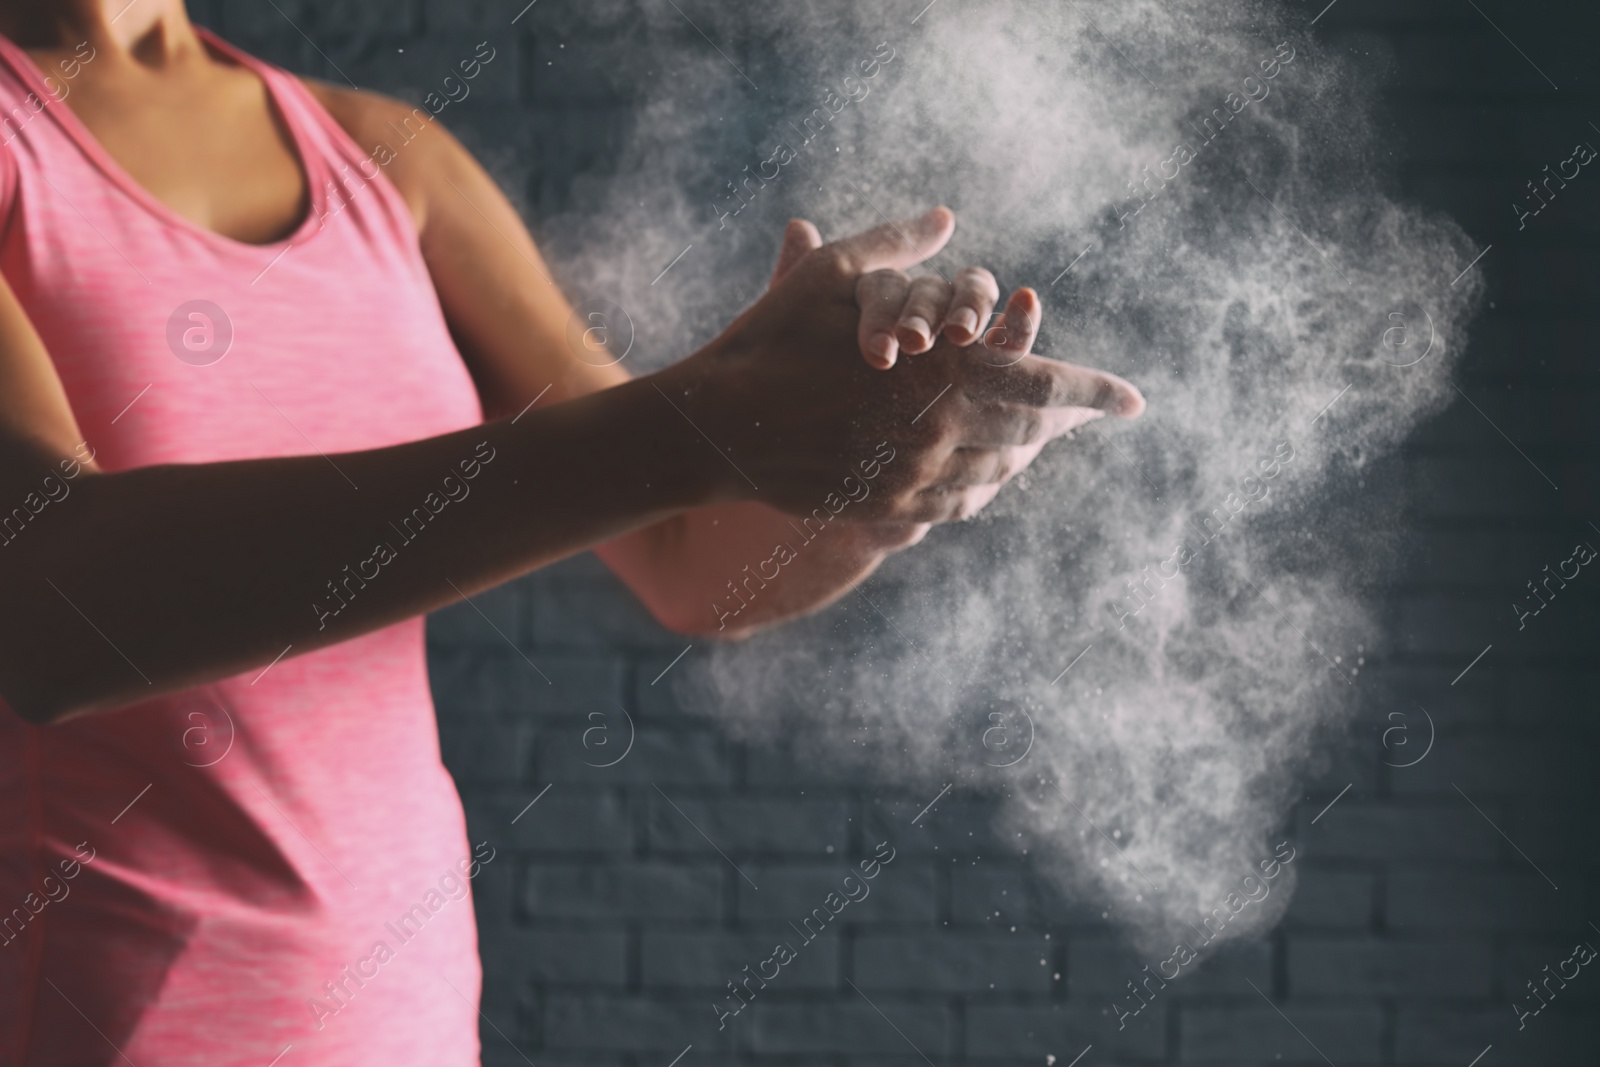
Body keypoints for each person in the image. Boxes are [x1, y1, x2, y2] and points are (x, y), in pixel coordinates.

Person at [0, 1, 1144, 1063]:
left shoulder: (381, 158)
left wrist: (875, 466)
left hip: (401, 1011)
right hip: (106, 1016)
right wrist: (709, 419)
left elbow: (689, 559)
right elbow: (56, 608)